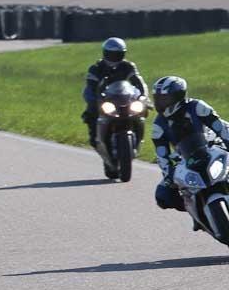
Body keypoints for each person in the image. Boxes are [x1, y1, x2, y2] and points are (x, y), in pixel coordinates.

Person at [151, 76, 229, 221]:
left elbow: (220, 127)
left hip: (213, 144)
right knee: (162, 196)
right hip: (185, 157)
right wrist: (168, 176)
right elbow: (162, 155)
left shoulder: (197, 106)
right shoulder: (158, 125)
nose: (161, 103)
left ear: (178, 96)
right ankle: (197, 211)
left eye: (165, 99)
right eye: (158, 98)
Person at [81, 37, 148, 147]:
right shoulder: (96, 68)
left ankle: (138, 136)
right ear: (105, 53)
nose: (114, 57)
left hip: (123, 98)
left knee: (141, 111)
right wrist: (96, 100)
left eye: (117, 54)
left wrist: (143, 97)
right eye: (111, 54)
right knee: (92, 111)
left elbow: (139, 82)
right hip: (104, 98)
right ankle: (94, 136)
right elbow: (91, 86)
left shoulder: (128, 66)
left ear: (123, 54)